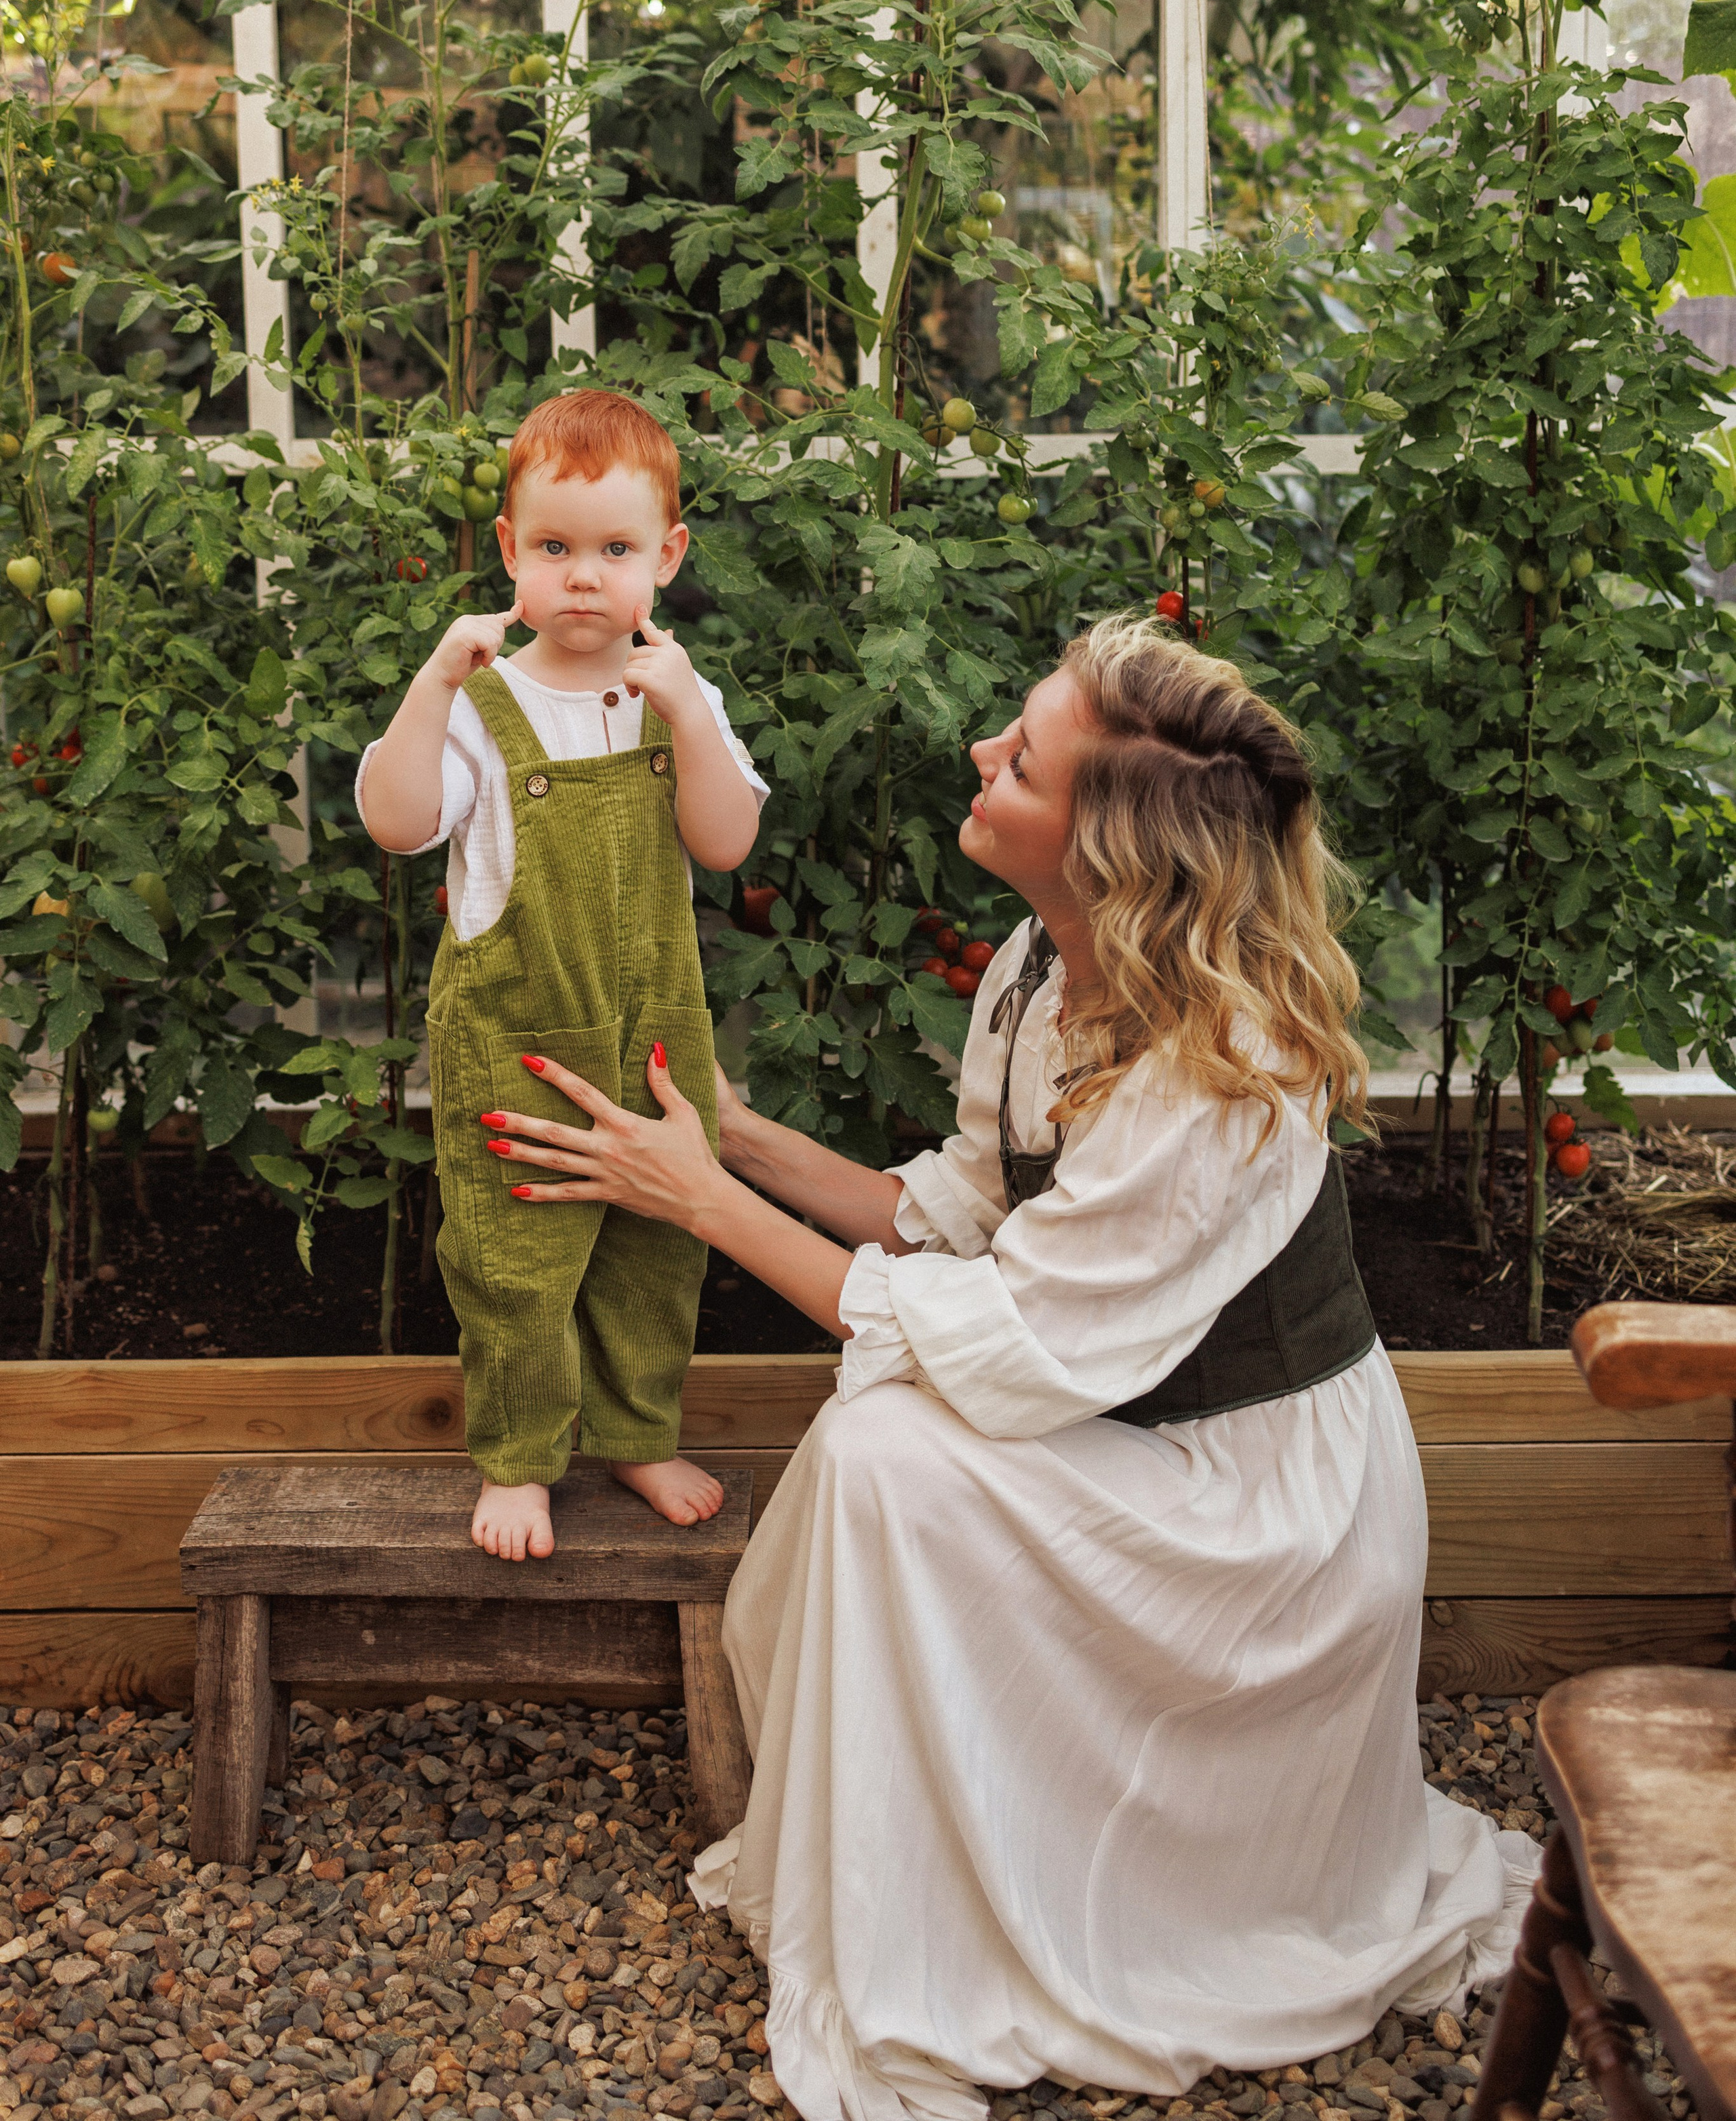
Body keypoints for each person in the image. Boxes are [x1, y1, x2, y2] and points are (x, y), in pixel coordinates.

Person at [467, 612, 1535, 2120]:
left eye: (1019, 755)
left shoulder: (1213, 1069)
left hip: (1255, 1510)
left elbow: (1003, 1342)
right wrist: (732, 1128)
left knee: (889, 1448)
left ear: (1108, 848)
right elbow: (953, 1206)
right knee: (875, 1440)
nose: (980, 752)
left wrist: (696, 1200)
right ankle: (928, 1857)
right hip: (1135, 1421)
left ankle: (1016, 1901)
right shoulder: (1049, 963)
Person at [357, 391, 766, 1555]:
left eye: (615, 550)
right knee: (515, 1259)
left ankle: (638, 1434)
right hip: (519, 1035)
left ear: (667, 558)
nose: (584, 577)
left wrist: (688, 712)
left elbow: (725, 840)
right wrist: (433, 683)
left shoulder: (678, 697)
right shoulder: (487, 702)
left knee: (653, 1253)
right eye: (555, 548)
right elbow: (397, 823)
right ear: (508, 551)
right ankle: (522, 1457)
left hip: (650, 1033)